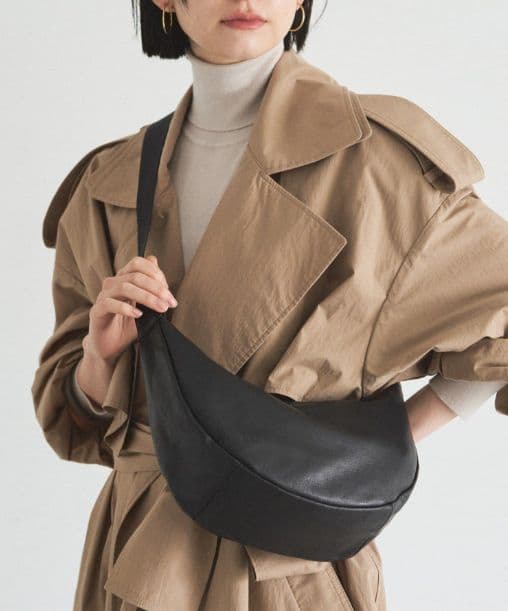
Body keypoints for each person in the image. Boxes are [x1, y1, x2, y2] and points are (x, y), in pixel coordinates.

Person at [31, 1, 508, 610]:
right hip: (137, 556)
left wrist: (365, 456)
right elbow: (75, 422)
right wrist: (100, 358)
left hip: (286, 567)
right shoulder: (109, 182)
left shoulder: (378, 160)